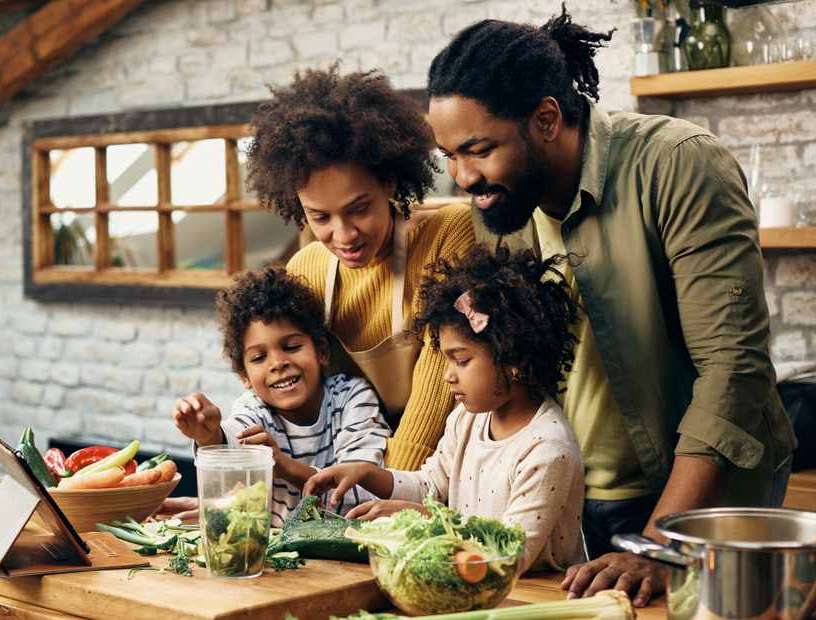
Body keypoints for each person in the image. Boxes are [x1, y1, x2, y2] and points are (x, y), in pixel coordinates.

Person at [424, 5, 797, 606]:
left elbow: (734, 371)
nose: (462, 176)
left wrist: (657, 545)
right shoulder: (498, 202)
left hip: (696, 492)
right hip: (574, 490)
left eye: (477, 149)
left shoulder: (678, 164)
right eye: (448, 155)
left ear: (547, 119)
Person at [244, 63, 475, 476]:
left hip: (440, 470)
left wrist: (387, 492)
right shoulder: (307, 269)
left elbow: (437, 384)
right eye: (320, 217)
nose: (343, 235)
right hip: (349, 472)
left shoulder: (448, 237)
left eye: (359, 209)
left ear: (389, 183)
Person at [304, 244, 586, 573]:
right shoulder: (467, 418)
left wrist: (432, 521)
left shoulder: (548, 449)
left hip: (533, 596)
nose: (448, 375)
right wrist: (367, 474)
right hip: (469, 586)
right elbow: (430, 486)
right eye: (446, 359)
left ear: (515, 358)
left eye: (462, 360)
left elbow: (509, 555)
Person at [172, 265, 391, 525]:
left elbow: (364, 495)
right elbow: (231, 443)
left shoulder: (354, 398)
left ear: (322, 351)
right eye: (259, 357)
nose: (277, 363)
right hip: (278, 554)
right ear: (244, 375)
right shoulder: (254, 410)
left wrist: (285, 467)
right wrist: (209, 435)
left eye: (292, 347)